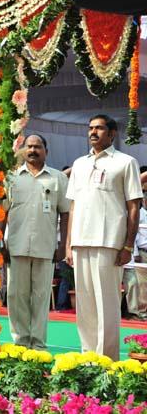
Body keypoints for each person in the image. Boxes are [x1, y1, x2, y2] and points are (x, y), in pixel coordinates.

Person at [65, 115, 143, 360]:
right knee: (85, 305)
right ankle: (88, 357)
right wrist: (69, 244)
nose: (93, 132)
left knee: (107, 303)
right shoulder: (79, 164)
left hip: (109, 242)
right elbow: (74, 206)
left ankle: (107, 359)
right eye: (90, 128)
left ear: (112, 134)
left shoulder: (126, 162)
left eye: (99, 128)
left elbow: (134, 206)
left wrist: (128, 244)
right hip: (80, 241)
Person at [2, 134, 69, 349]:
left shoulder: (57, 178)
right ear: (24, 150)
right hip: (16, 246)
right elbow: (2, 213)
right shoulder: (11, 178)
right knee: (16, 296)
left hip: (46, 247)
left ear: (46, 151)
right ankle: (20, 343)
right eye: (29, 147)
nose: (32, 150)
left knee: (40, 298)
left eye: (37, 147)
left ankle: (38, 344)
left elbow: (66, 213)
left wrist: (63, 244)